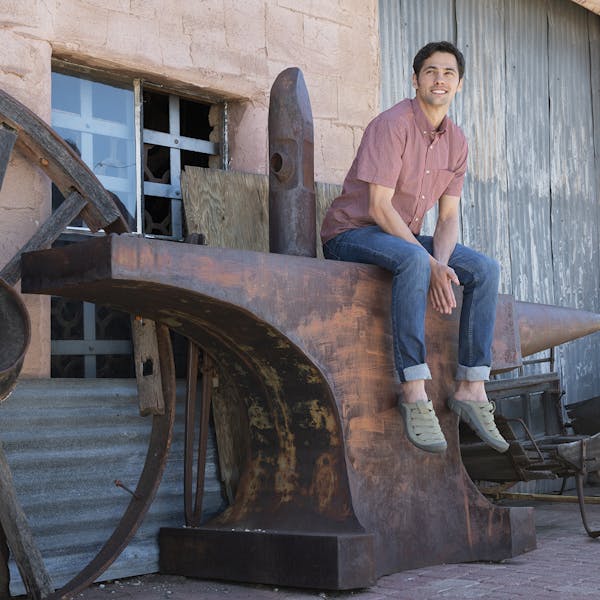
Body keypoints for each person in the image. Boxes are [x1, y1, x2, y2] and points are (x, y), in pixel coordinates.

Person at [320, 41, 509, 455]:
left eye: (448, 73)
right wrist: (427, 262)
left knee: (485, 269)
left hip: (400, 235)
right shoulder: (392, 125)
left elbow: (448, 218)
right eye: (430, 72)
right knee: (412, 259)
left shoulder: (457, 142)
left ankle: (471, 388)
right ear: (415, 79)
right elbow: (378, 207)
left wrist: (440, 264)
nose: (439, 79)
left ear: (459, 84)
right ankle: (413, 390)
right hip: (353, 233)